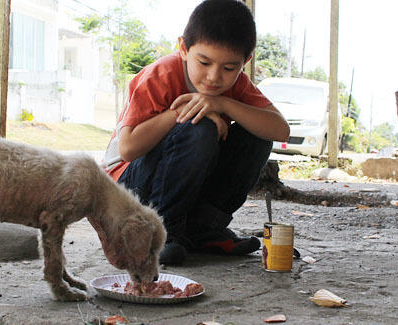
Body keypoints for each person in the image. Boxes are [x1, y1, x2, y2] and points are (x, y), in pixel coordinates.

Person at [102, 0, 290, 265]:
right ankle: (158, 233)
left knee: (256, 135)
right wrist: (180, 112)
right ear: (183, 48)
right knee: (199, 127)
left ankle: (203, 230)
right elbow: (128, 149)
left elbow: (280, 129)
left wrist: (222, 103)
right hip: (127, 189)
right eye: (204, 62)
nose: (214, 77)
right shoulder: (160, 75)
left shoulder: (236, 86)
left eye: (228, 68)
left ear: (245, 62)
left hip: (178, 190)